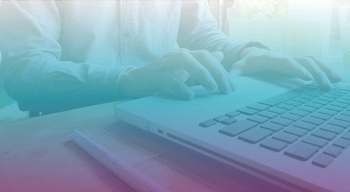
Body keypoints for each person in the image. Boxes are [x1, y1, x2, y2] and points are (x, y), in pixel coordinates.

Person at [0, 0, 342, 115]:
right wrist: (126, 80)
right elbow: (23, 69)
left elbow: (203, 34)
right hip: (65, 121)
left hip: (168, 110)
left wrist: (247, 52)